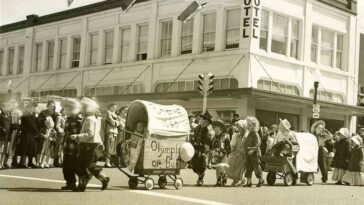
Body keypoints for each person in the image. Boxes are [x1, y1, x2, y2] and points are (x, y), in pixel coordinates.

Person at [71, 97, 109, 192]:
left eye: (83, 108)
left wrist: (77, 136)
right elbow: (96, 134)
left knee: (87, 166)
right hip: (89, 145)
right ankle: (83, 184)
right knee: (83, 166)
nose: (81, 110)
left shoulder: (89, 119)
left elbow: (90, 134)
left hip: (88, 146)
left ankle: (103, 178)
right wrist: (100, 143)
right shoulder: (94, 119)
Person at [61, 98, 83, 191]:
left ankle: (72, 183)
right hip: (68, 146)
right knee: (66, 166)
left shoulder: (75, 119)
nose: (65, 110)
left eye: (67, 108)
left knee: (71, 166)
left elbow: (76, 133)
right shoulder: (69, 119)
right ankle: (70, 183)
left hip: (73, 147)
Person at [190, 112, 212, 186]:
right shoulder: (197, 128)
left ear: (207, 122)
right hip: (195, 147)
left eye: (203, 119)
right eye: (202, 119)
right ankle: (200, 175)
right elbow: (194, 138)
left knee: (202, 165)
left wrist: (204, 151)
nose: (201, 120)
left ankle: (201, 178)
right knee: (194, 166)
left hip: (203, 149)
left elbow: (208, 141)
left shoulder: (208, 129)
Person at [243, 116, 264, 188]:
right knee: (248, 167)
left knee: (256, 167)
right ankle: (249, 182)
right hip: (249, 153)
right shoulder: (249, 134)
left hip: (255, 153)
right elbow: (246, 143)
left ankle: (261, 179)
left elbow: (258, 144)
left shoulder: (255, 134)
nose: (248, 127)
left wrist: (252, 150)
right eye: (247, 125)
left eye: (249, 125)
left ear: (254, 125)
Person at [227, 120, 247, 187]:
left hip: (244, 153)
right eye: (238, 127)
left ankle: (238, 180)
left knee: (241, 167)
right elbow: (233, 145)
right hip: (237, 152)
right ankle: (240, 179)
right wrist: (232, 150)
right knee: (233, 164)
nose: (239, 129)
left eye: (240, 127)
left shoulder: (246, 136)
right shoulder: (236, 135)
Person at [210, 121, 231, 186]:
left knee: (221, 166)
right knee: (217, 168)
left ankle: (224, 176)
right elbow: (211, 146)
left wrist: (224, 152)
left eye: (217, 130)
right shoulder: (214, 137)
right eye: (214, 129)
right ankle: (218, 180)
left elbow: (228, 147)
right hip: (216, 155)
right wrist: (212, 152)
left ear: (221, 130)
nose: (215, 131)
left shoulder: (225, 137)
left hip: (223, 154)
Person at [19, 103, 40, 168]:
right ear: (28, 108)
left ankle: (30, 162)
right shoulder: (25, 115)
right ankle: (23, 163)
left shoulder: (31, 116)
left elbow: (36, 124)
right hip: (26, 134)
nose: (33, 109)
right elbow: (31, 125)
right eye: (32, 107)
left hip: (31, 134)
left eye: (33, 108)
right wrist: (37, 132)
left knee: (31, 148)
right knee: (25, 148)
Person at [7, 100, 23, 168]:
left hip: (18, 129)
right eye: (12, 104)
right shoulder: (10, 112)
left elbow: (20, 121)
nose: (14, 105)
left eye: (15, 104)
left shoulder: (19, 112)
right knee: (12, 146)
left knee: (16, 146)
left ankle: (14, 161)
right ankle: (11, 162)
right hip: (13, 130)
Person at [104, 103, 120, 168]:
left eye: (115, 107)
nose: (114, 108)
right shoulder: (108, 112)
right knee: (109, 147)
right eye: (113, 107)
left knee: (113, 148)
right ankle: (107, 162)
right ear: (109, 107)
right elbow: (111, 121)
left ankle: (110, 162)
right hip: (110, 131)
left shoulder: (115, 114)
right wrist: (116, 123)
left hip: (115, 132)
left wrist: (115, 122)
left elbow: (118, 123)